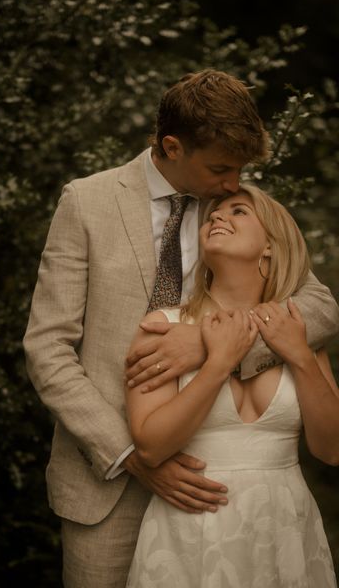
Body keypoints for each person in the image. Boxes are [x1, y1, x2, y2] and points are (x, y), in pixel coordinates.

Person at [23, 69, 339, 587]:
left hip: (221, 474)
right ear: (172, 146)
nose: (234, 183)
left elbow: (319, 306)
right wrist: (131, 457)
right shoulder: (88, 201)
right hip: (108, 483)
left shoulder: (230, 211)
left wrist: (215, 343)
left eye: (239, 171)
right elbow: (48, 349)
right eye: (221, 167)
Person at [125, 183, 339, 587]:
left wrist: (299, 355)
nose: (218, 216)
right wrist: (217, 362)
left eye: (239, 211)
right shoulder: (163, 329)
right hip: (189, 532)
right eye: (214, 214)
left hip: (284, 531)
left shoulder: (300, 331)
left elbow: (332, 449)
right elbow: (151, 446)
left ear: (271, 246)